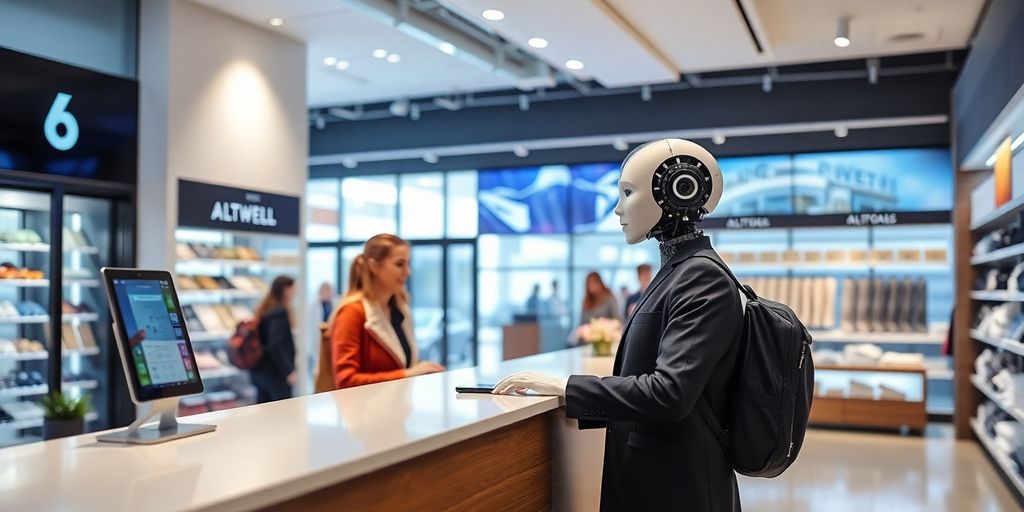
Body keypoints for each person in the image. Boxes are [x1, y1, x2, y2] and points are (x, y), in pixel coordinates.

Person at [493, 139, 743, 511]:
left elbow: (670, 393)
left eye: (627, 193)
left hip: (679, 487)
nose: (617, 209)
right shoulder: (678, 272)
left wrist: (567, 388)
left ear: (678, 189)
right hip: (661, 477)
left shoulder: (700, 277)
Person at [316, 233, 445, 391]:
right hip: (363, 414)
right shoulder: (352, 313)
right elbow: (346, 380)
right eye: (399, 264)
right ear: (374, 266)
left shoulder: (400, 309)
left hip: (396, 411)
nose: (407, 272)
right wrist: (407, 374)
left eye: (408, 264)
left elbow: (403, 364)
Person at [250, 275, 297, 404]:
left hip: (260, 371)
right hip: (275, 373)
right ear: (286, 289)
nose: (295, 292)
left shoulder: (264, 310)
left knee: (264, 412)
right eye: (293, 288)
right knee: (284, 412)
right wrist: (288, 371)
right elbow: (275, 344)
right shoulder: (279, 313)